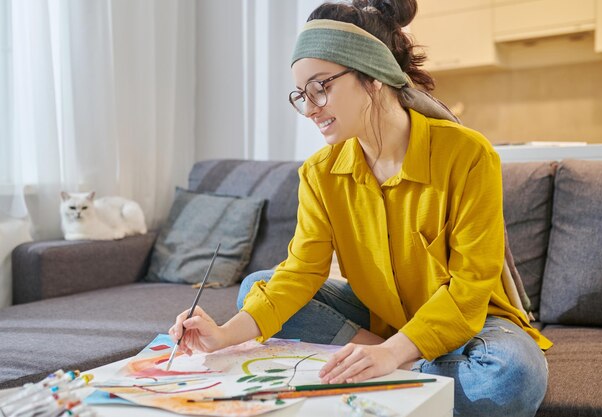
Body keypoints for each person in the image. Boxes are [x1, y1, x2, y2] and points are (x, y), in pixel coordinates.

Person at [169, 1, 552, 415]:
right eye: (301, 95)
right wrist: (225, 335)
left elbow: (471, 288)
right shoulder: (320, 172)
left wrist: (394, 353)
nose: (311, 108)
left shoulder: (468, 155)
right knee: (254, 289)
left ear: (372, 77)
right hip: (381, 319)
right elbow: (301, 272)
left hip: (469, 325)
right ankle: (400, 367)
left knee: (511, 375)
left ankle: (395, 364)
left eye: (321, 87)